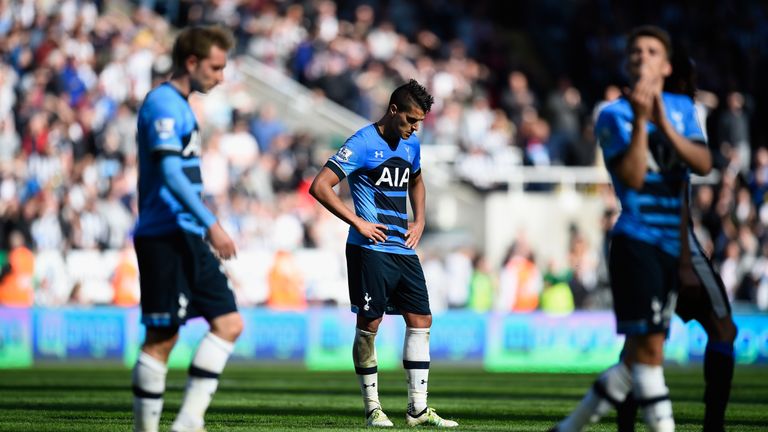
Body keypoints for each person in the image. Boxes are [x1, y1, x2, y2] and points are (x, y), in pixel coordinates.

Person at [550, 26, 718, 432]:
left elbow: (702, 165)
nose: (642, 57)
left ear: (666, 64)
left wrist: (665, 123)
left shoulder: (682, 108)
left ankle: (570, 427)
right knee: (649, 355)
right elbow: (634, 177)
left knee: (640, 356)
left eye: (652, 51)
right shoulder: (612, 114)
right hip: (636, 240)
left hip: (673, 242)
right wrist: (643, 122)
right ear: (628, 63)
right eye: (636, 52)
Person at [309, 79, 458, 428]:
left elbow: (416, 180)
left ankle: (417, 411)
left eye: (419, 122)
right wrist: (357, 221)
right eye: (410, 120)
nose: (415, 128)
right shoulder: (362, 143)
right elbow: (320, 186)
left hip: (402, 249)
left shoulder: (412, 144)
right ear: (393, 111)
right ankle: (372, 407)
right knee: (370, 325)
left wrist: (419, 219)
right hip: (370, 248)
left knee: (421, 320)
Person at [614, 44, 738, 432]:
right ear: (678, 79)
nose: (695, 87)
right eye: (691, 80)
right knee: (722, 328)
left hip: (637, 240)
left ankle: (625, 425)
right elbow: (678, 186)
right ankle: (713, 424)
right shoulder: (675, 117)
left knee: (642, 345)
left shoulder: (630, 114)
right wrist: (686, 258)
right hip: (670, 240)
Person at [131, 26, 243, 432]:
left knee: (229, 323)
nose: (220, 76)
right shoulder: (162, 103)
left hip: (185, 234)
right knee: (162, 338)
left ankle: (188, 423)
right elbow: (168, 170)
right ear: (192, 63)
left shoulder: (182, 106)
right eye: (215, 67)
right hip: (164, 233)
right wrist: (211, 223)